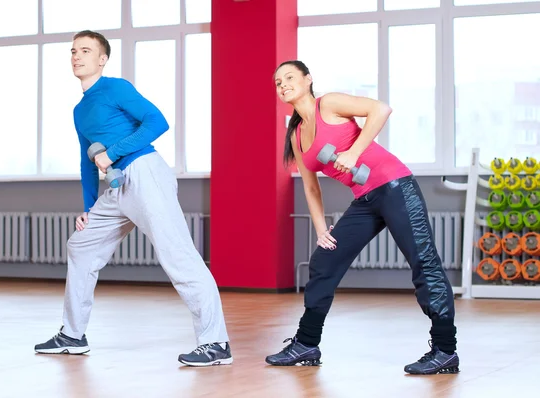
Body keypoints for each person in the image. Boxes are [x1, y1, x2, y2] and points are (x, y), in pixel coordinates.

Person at [34, 30, 233, 367]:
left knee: (177, 254)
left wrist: (113, 152)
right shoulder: (80, 110)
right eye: (72, 51)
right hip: (116, 188)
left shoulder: (115, 88)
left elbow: (158, 122)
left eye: (85, 50)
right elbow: (87, 162)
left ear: (102, 59)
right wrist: (87, 208)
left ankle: (216, 343)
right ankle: (72, 334)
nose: (76, 56)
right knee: (80, 246)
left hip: (144, 173)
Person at [265, 60, 459, 375]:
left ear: (308, 79)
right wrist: (320, 231)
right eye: (277, 82)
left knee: (424, 263)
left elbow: (381, 109)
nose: (282, 84)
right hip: (365, 199)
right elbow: (311, 188)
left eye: (289, 77)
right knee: (324, 262)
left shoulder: (328, 103)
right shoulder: (297, 135)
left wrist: (354, 151)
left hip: (396, 187)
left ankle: (445, 350)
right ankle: (306, 343)